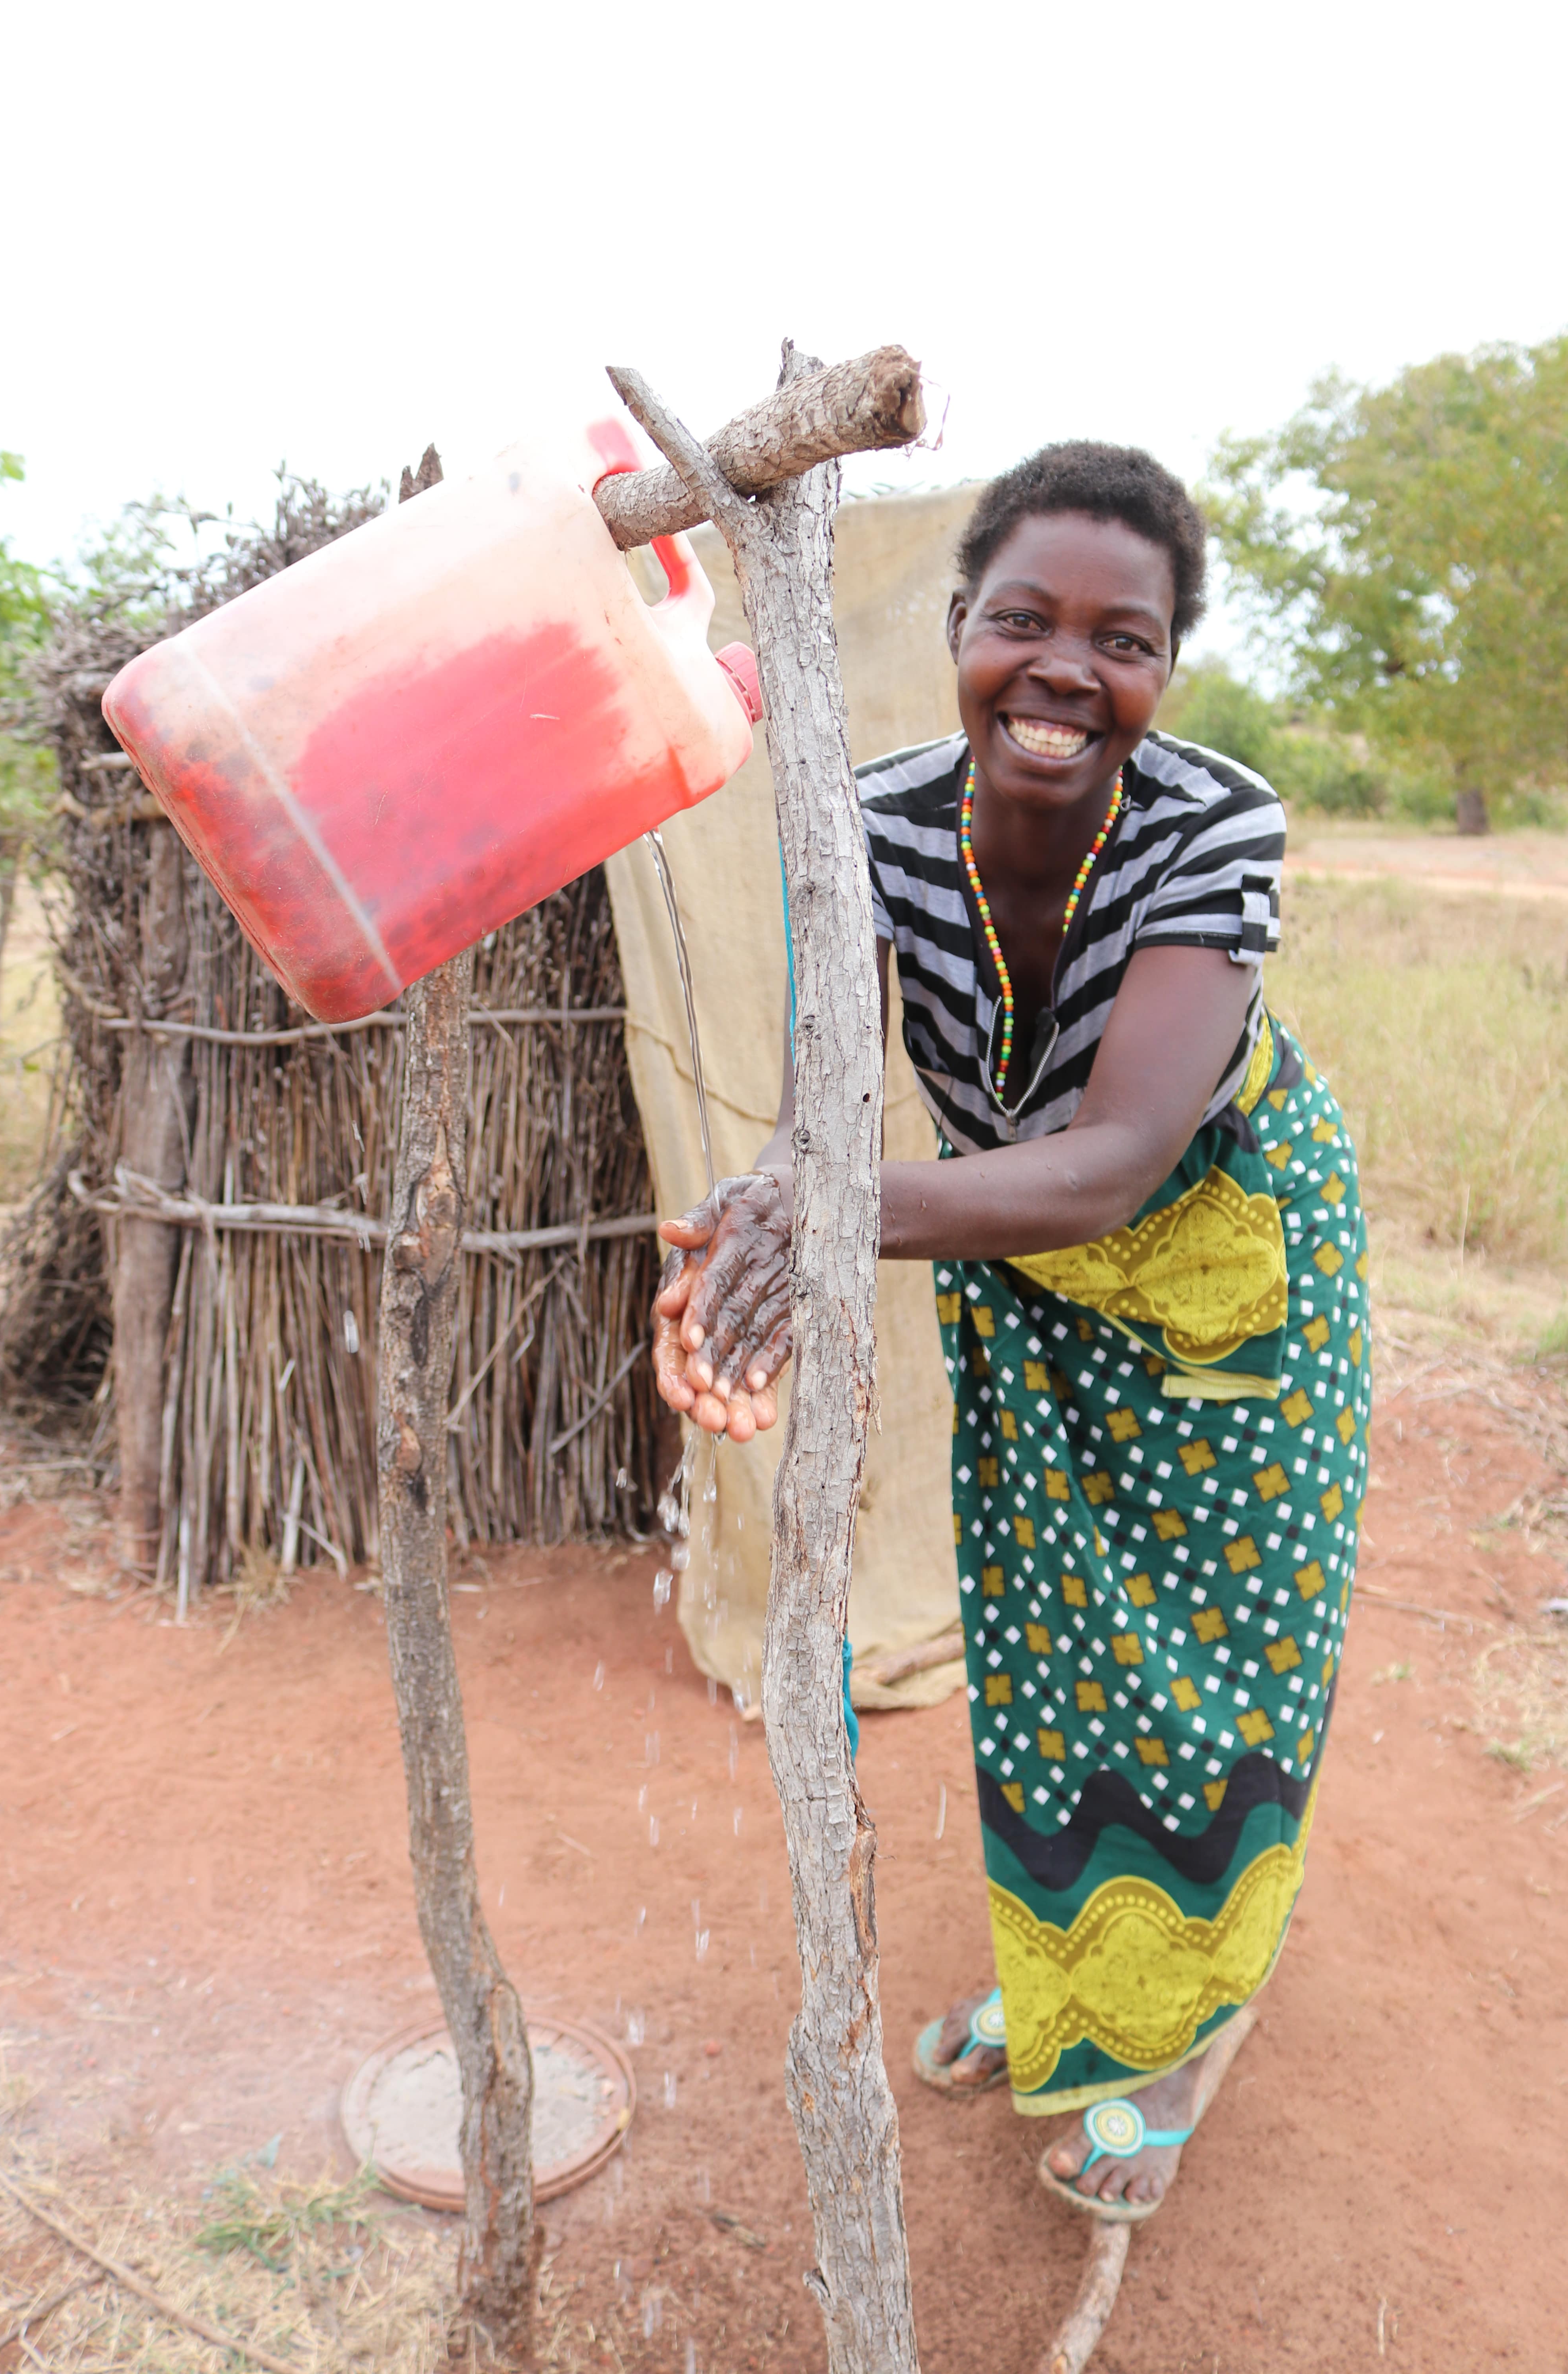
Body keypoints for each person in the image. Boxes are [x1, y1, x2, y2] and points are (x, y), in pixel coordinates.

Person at [650, 442, 1369, 2222]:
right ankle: (1077, 2002)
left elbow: (1118, 1162)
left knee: (1204, 1669)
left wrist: (823, 1215)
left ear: (1164, 673)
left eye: (1120, 640)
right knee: (1052, 1656)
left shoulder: (1216, 825)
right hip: (1021, 1264)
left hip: (1229, 1273)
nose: (1064, 670)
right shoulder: (870, 823)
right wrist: (757, 1230)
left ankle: (1177, 2039)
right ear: (959, 624)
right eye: (1024, 621)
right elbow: (830, 1114)